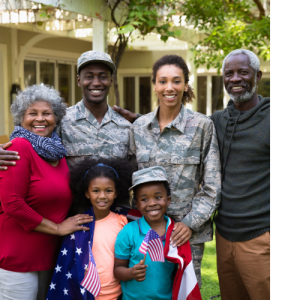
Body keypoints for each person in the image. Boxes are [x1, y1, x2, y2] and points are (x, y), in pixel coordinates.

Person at [127, 55, 221, 288]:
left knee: (184, 293)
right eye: (163, 81)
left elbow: (213, 184)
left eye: (177, 81)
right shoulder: (139, 127)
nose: (169, 87)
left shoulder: (202, 126)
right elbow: (130, 178)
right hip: (146, 234)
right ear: (155, 85)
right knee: (150, 292)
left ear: (186, 85)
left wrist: (189, 223)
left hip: (186, 234)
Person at [0, 85, 93, 300]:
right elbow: (12, 203)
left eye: (47, 113)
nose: (40, 119)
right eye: (32, 113)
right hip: (19, 259)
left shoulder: (57, 153)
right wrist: (58, 228)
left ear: (56, 118)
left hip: (50, 257)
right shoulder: (19, 147)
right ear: (21, 118)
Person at [0, 50, 133, 171]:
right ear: (79, 81)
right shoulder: (60, 121)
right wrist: (3, 150)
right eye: (89, 76)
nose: (96, 82)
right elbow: (28, 141)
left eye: (103, 77)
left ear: (111, 81)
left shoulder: (126, 127)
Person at [211, 49, 270, 300]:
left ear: (257, 76)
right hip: (223, 236)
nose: (235, 79)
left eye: (243, 72)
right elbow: (184, 137)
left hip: (261, 236)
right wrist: (142, 121)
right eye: (229, 73)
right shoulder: (216, 120)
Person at [46, 157, 137, 300]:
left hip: (119, 294)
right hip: (86, 294)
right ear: (87, 193)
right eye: (96, 191)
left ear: (116, 193)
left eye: (108, 190)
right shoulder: (78, 225)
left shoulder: (123, 222)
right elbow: (68, 265)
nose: (102, 196)